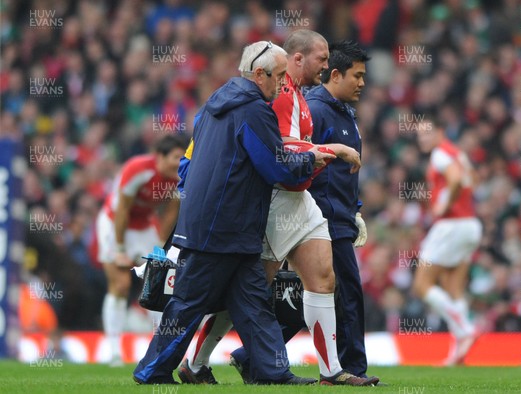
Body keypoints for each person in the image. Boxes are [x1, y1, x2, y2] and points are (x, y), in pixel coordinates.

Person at [179, 30, 379, 386]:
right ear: (298, 59)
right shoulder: (279, 93)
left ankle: (331, 371)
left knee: (323, 277)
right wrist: (331, 149)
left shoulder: (300, 95)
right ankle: (195, 361)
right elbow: (281, 147)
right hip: (273, 198)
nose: (326, 64)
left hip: (299, 199)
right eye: (321, 58)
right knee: (248, 292)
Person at [133, 40, 333, 385]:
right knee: (188, 305)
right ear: (259, 74)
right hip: (222, 228)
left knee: (254, 306)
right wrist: (311, 158)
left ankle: (272, 372)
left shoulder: (214, 104)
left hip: (225, 227)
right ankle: (151, 371)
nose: (283, 84)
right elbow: (277, 167)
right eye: (279, 76)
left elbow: (188, 164)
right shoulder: (254, 111)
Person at [305, 40, 372, 378]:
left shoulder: (344, 110)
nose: (362, 83)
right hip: (323, 218)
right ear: (335, 74)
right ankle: (350, 369)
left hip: (341, 215)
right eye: (357, 76)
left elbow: (343, 172)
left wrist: (355, 209)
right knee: (346, 295)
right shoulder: (315, 110)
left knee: (324, 294)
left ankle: (249, 354)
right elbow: (300, 156)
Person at [97, 134, 186, 366]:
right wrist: (119, 249)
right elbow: (123, 210)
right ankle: (114, 352)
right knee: (121, 284)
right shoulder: (138, 169)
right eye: (176, 157)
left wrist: (159, 244)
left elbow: (170, 213)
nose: (179, 163)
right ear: (159, 157)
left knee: (158, 286)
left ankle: (158, 348)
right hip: (115, 223)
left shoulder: (179, 176)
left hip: (146, 226)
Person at [412, 120, 482, 365]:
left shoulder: (440, 154)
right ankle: (459, 353)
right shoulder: (457, 152)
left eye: (427, 134)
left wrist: (445, 203)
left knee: (422, 284)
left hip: (451, 224)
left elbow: (454, 180)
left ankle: (464, 329)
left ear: (440, 132)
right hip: (471, 224)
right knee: (454, 289)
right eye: (419, 136)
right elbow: (472, 180)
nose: (423, 140)